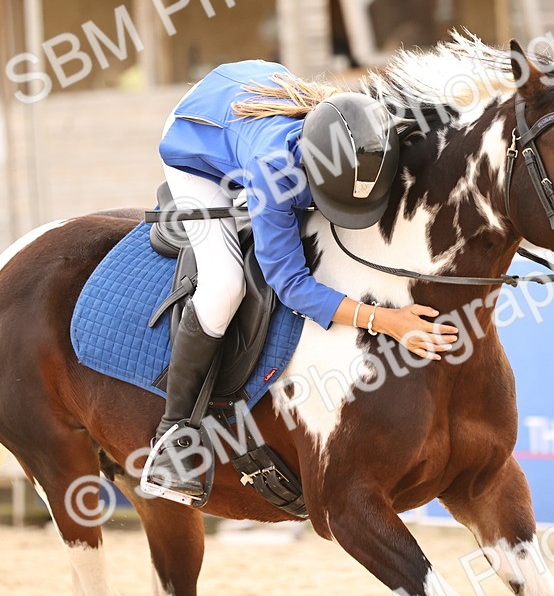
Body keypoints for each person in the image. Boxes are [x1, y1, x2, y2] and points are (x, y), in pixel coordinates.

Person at [142, 61, 457, 502]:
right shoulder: (273, 173)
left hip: (250, 86)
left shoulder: (375, 130)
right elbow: (289, 284)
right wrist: (384, 320)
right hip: (194, 133)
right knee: (224, 285)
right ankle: (173, 433)